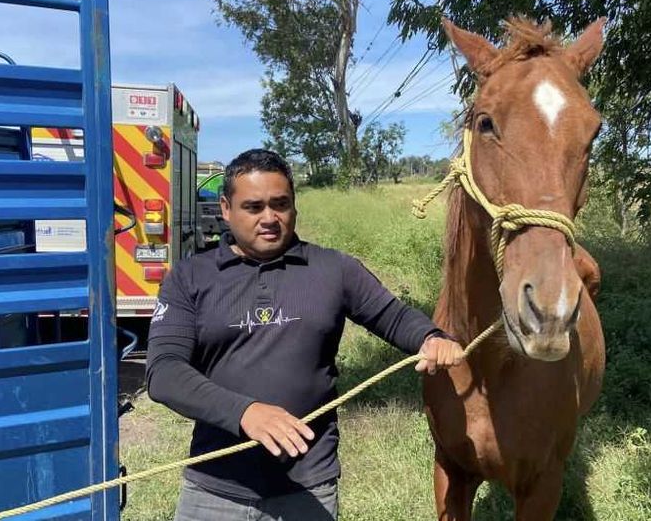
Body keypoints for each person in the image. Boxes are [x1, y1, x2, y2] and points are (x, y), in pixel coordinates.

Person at [146, 149, 465, 521]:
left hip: (307, 488)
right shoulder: (190, 277)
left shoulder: (334, 269)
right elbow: (164, 372)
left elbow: (393, 318)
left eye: (280, 204)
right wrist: (245, 412)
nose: (270, 218)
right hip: (214, 488)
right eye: (254, 207)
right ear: (225, 208)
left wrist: (431, 337)